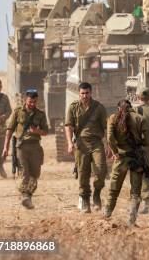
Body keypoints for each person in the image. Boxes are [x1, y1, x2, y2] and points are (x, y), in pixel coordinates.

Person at [104, 100, 149, 226]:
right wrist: (140, 144)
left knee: (114, 189)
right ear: (131, 107)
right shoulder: (140, 118)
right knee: (135, 192)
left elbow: (109, 138)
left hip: (120, 158)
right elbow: (148, 141)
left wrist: (115, 152)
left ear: (118, 108)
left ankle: (106, 214)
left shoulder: (113, 118)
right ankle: (132, 220)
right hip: (136, 158)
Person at [65, 82, 108, 213]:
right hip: (81, 144)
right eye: (82, 93)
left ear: (91, 93)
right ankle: (85, 200)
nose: (85, 96)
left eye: (87, 93)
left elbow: (106, 128)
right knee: (83, 174)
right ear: (79, 93)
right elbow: (69, 126)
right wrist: (69, 143)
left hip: (96, 143)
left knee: (101, 172)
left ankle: (96, 195)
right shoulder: (73, 107)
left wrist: (109, 145)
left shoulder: (99, 107)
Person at [2, 89, 48, 209]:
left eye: (34, 102)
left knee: (35, 174)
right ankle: (25, 196)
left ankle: (28, 195)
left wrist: (36, 131)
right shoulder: (17, 112)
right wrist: (5, 147)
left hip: (35, 147)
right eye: (30, 102)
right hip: (21, 147)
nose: (32, 104)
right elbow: (9, 130)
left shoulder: (40, 114)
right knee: (24, 173)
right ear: (25, 100)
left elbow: (45, 131)